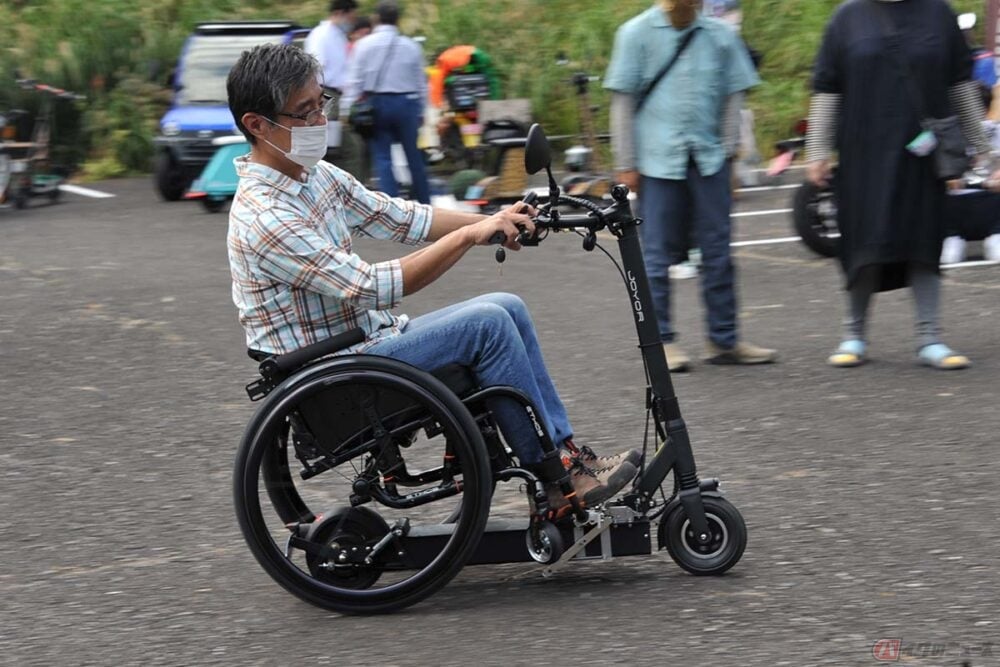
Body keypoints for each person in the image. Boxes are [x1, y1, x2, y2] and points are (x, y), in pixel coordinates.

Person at [225, 43, 640, 516]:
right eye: (305, 112)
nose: (322, 120)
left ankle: (561, 456)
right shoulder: (265, 215)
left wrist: (493, 217)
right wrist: (469, 238)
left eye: (323, 103)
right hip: (333, 379)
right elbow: (371, 285)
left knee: (507, 305)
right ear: (257, 125)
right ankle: (558, 480)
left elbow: (401, 216)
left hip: (366, 345)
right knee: (487, 323)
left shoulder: (313, 176)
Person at [805, 0, 1000, 370]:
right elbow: (827, 88)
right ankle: (854, 335)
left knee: (924, 236)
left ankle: (930, 337)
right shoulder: (848, 17)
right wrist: (817, 150)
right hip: (863, 154)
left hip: (923, 154)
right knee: (863, 239)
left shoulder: (938, 13)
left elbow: (961, 87)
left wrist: (987, 154)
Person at [604, 0, 778, 372]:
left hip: (710, 159)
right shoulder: (635, 34)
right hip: (657, 162)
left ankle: (724, 339)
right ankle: (661, 341)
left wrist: (731, 157)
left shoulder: (720, 37)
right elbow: (623, 102)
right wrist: (626, 163)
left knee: (718, 251)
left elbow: (734, 98)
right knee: (656, 255)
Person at [341, 1, 431, 204]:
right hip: (407, 103)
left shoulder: (364, 45)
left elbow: (354, 81)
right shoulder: (412, 46)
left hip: (377, 105)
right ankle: (426, 205)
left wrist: (347, 108)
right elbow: (421, 83)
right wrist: (423, 111)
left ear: (375, 19)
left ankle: (392, 209)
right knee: (414, 158)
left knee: (383, 158)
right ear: (398, 20)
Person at [304, 0, 366, 181]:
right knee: (342, 149)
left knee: (341, 149)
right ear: (340, 13)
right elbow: (316, 69)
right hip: (326, 96)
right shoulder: (321, 35)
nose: (353, 21)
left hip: (335, 97)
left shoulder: (338, 36)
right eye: (351, 16)